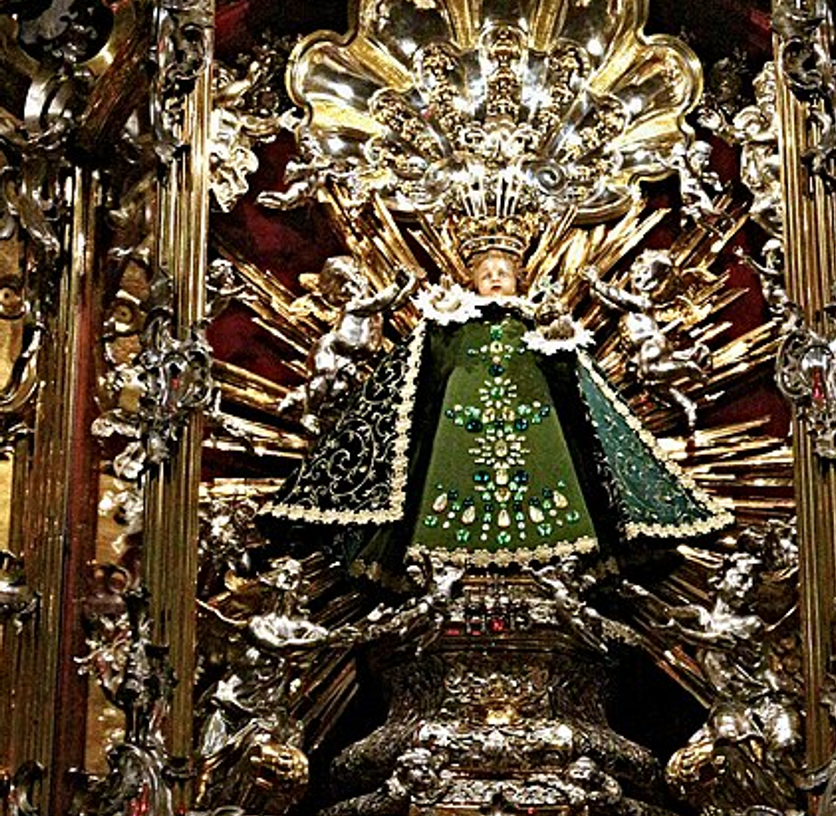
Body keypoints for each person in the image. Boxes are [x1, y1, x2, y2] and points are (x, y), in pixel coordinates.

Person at [259, 244, 730, 581]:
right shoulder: (450, 320)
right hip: (459, 423)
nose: (496, 277)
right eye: (486, 272)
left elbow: (572, 381)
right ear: (472, 280)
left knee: (554, 472)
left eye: (504, 270)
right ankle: (440, 558)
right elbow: (421, 371)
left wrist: (558, 339)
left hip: (534, 418)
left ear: (519, 278)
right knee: (445, 474)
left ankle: (560, 559)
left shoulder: (534, 319)